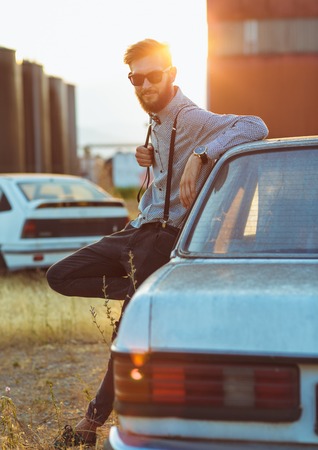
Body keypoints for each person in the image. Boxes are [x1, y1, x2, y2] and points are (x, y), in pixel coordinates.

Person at [48, 38, 268, 448]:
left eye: (152, 76)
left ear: (171, 74)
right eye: (136, 78)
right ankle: (137, 290)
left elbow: (255, 125)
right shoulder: (155, 119)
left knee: (124, 341)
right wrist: (147, 160)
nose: (144, 85)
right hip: (136, 230)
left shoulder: (190, 115)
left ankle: (87, 426)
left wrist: (203, 153)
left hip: (161, 239)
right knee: (59, 275)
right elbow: (161, 178)